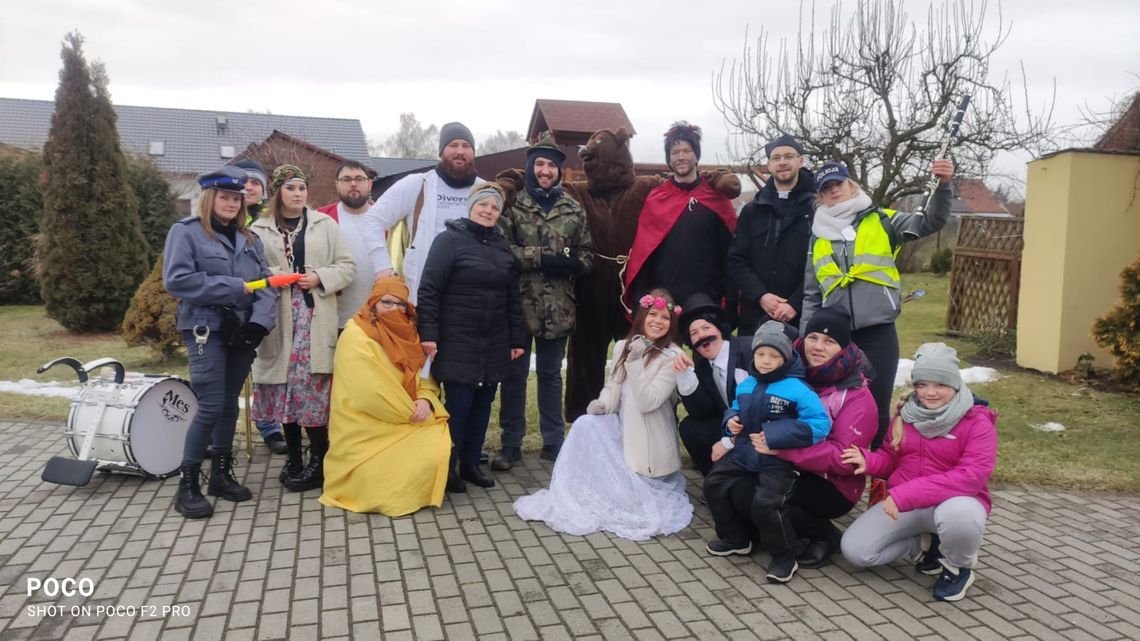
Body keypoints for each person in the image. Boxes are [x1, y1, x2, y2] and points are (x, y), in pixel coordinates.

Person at [514, 289, 693, 541]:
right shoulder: (623, 346)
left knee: (634, 502)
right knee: (584, 424)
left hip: (648, 443)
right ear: (642, 316)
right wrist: (602, 403)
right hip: (623, 427)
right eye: (652, 314)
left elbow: (648, 401)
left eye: (665, 318)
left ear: (672, 323)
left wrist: (636, 361)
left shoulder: (672, 356)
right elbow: (615, 386)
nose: (658, 322)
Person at [801, 158, 955, 448]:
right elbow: (811, 293)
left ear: (851, 184)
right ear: (820, 196)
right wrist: (804, 340)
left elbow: (931, 221)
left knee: (877, 407)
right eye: (826, 188)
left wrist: (944, 186)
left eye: (839, 184)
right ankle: (841, 473)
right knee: (837, 406)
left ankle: (879, 476)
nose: (834, 191)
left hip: (878, 333)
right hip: (837, 338)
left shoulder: (882, 220)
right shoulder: (817, 236)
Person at [840, 342, 998, 602]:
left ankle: (957, 566)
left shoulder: (977, 422)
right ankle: (925, 546)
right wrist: (868, 461)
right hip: (908, 504)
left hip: (951, 502)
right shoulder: (905, 414)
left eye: (940, 385)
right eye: (922, 384)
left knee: (961, 516)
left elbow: (971, 478)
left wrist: (905, 495)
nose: (930, 393)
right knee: (856, 552)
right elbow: (892, 457)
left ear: (955, 385)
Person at [162, 166, 278, 519]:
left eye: (237, 198)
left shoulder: (250, 239)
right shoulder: (187, 233)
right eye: (225, 197)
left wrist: (259, 324)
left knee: (229, 404)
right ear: (210, 198)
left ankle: (221, 477)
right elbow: (177, 280)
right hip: (204, 328)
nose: (231, 203)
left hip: (241, 331)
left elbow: (265, 283)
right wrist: (232, 288)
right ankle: (188, 484)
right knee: (211, 405)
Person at [249, 164, 355, 492]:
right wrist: (271, 276)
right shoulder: (259, 229)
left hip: (314, 317)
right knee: (283, 392)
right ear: (277, 192)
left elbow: (348, 266)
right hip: (278, 318)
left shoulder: (325, 224)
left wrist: (321, 277)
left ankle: (319, 461)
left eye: (302, 188)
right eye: (291, 188)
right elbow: (249, 271)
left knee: (311, 391)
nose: (298, 194)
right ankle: (293, 458)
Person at [416, 182, 526, 492]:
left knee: (483, 405)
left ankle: (471, 463)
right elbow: (430, 290)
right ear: (471, 206)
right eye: (483, 205)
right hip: (457, 339)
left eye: (494, 207)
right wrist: (429, 333)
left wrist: (516, 339)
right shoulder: (448, 241)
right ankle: (447, 465)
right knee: (459, 406)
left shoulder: (503, 249)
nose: (489, 211)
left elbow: (512, 299)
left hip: (493, 341)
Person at [702, 321, 830, 584]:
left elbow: (820, 425)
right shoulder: (747, 383)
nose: (766, 361)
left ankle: (785, 556)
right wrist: (732, 421)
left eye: (774, 356)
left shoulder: (798, 389)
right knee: (713, 483)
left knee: (766, 505)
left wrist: (774, 437)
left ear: (786, 357)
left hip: (778, 460)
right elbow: (735, 407)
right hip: (744, 452)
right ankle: (735, 538)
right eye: (761, 354)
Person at [494, 134, 593, 469]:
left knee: (551, 375)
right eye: (540, 163)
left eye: (552, 164)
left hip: (558, 309)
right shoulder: (514, 206)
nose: (546, 170)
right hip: (519, 308)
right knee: (515, 376)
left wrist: (575, 263)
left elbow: (588, 255)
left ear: (559, 170)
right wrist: (544, 257)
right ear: (530, 167)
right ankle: (510, 444)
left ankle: (554, 441)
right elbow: (502, 251)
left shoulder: (572, 208)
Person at [319, 277, 451, 516]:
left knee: (435, 438)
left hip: (405, 412)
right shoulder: (355, 336)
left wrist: (424, 400)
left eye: (400, 304)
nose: (394, 309)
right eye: (387, 302)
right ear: (373, 304)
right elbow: (368, 394)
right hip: (367, 422)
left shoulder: (410, 332)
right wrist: (410, 413)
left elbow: (423, 377)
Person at [757, 306, 877, 569]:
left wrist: (785, 450)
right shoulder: (785, 369)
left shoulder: (857, 396)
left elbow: (846, 459)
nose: (818, 347)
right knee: (745, 492)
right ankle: (779, 532)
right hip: (787, 466)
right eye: (812, 337)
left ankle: (825, 535)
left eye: (829, 341)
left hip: (833, 483)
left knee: (770, 499)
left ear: (843, 348)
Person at [625, 122, 740, 313]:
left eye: (686, 150)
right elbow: (644, 254)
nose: (681, 157)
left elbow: (729, 252)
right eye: (675, 152)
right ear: (669, 159)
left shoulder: (716, 198)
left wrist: (731, 300)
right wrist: (640, 298)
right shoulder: (657, 198)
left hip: (707, 298)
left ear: (696, 156)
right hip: (663, 300)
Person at [362, 122, 482, 302]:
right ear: (441, 151)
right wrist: (382, 268)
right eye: (453, 145)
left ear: (473, 152)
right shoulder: (418, 184)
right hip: (424, 296)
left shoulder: (484, 190)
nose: (460, 151)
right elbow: (373, 220)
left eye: (466, 146)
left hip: (472, 298)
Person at [221, 158, 287, 455]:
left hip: (260, 308)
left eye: (256, 184)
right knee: (221, 379)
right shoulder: (223, 220)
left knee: (264, 366)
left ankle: (269, 425)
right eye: (245, 182)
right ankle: (215, 434)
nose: (250, 188)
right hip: (226, 308)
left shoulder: (270, 221)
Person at [727, 135, 817, 336]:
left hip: (802, 315)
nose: (782, 162)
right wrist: (761, 295)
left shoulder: (817, 208)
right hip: (756, 315)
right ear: (768, 165)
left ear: (801, 161)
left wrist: (795, 302)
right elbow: (736, 259)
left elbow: (825, 261)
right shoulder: (752, 210)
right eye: (776, 158)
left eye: (788, 156)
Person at [673, 292, 754, 476]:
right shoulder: (703, 367)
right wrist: (685, 376)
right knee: (690, 428)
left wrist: (729, 441)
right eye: (694, 333)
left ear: (719, 328)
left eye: (706, 327)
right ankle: (717, 478)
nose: (702, 336)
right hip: (730, 424)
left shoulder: (748, 350)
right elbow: (701, 412)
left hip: (760, 427)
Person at [317, 160, 377, 329]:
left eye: (359, 179)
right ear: (337, 184)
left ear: (370, 184)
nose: (353, 184)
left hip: (377, 319)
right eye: (346, 179)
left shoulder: (386, 218)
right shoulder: (321, 218)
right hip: (334, 319)